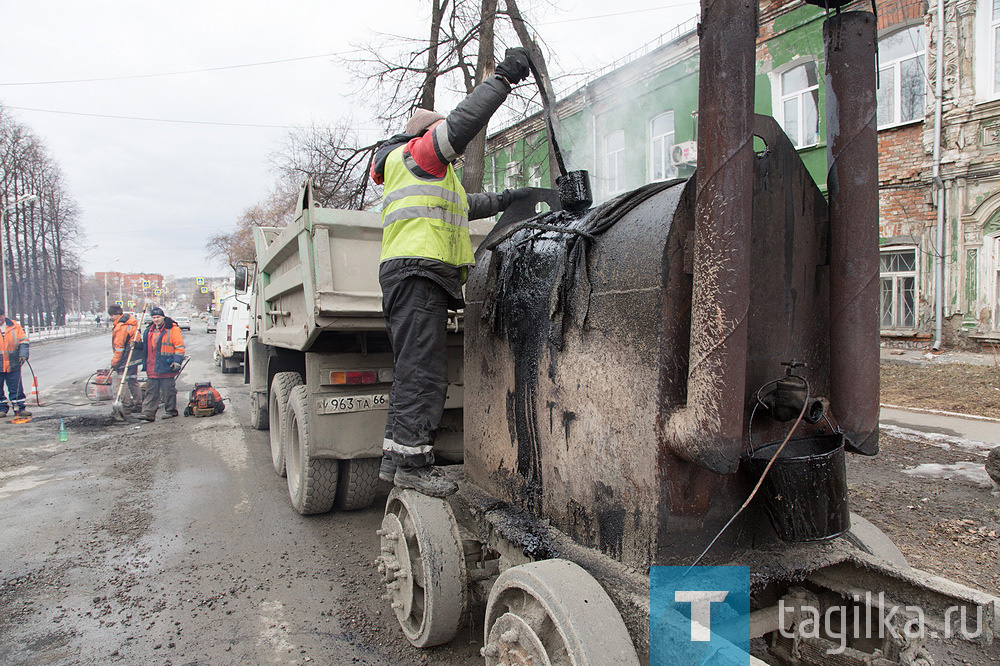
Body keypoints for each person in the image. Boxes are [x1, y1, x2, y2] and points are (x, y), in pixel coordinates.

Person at [370, 47, 533, 497]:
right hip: (418, 273)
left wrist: (510, 198)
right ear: (427, 134)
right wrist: (503, 78)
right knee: (423, 372)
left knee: (414, 368)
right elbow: (461, 125)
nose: (453, 155)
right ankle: (413, 466)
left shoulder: (421, 173)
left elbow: (465, 205)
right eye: (442, 136)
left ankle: (397, 458)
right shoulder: (417, 155)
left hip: (414, 274)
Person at [137, 307, 185, 422]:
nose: (156, 319)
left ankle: (171, 411)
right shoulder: (149, 330)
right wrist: (138, 345)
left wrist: (177, 361)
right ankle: (148, 413)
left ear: (163, 317)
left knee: (168, 390)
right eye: (154, 317)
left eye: (158, 317)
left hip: (166, 365)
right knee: (151, 391)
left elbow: (179, 347)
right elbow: (147, 347)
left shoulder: (172, 329)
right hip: (152, 366)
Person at [108, 305, 142, 413]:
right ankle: (138, 403)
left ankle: (126, 405)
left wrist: (115, 362)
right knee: (132, 380)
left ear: (115, 314)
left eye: (111, 315)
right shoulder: (131, 322)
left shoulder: (121, 327)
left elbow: (119, 348)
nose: (111, 317)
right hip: (134, 356)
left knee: (120, 381)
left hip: (126, 357)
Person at [0, 306, 30, 417]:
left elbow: (23, 341)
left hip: (13, 362)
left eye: (1, 317)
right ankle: (1, 409)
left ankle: (20, 408)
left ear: (4, 316)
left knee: (16, 387)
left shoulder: (14, 326)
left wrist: (23, 354)